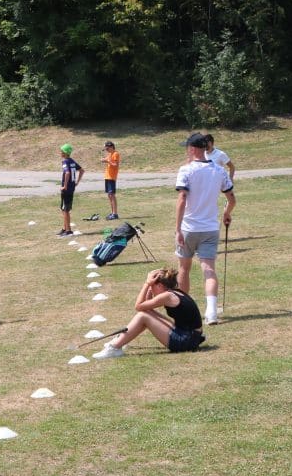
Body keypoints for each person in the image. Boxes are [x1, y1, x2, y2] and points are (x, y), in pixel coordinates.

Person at [176, 133, 236, 325]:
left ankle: (183, 312)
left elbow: (182, 198)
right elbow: (231, 198)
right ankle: (211, 313)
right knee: (208, 269)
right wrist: (227, 213)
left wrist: (177, 228)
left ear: (192, 149)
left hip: (189, 227)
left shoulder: (185, 170)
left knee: (184, 268)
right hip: (210, 228)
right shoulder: (219, 170)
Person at [92, 267, 206, 359]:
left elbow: (138, 306)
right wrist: (151, 288)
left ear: (160, 286)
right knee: (146, 314)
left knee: (142, 317)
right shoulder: (174, 292)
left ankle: (114, 348)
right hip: (191, 336)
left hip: (186, 341)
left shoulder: (167, 296)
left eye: (153, 285)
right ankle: (119, 341)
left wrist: (146, 284)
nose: (151, 288)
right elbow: (145, 308)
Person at [57, 143, 84, 237]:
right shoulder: (72, 161)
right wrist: (77, 182)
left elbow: (67, 173)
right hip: (71, 187)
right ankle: (65, 228)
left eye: (61, 151)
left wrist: (64, 186)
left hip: (67, 189)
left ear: (64, 152)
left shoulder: (65, 161)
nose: (60, 152)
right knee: (64, 209)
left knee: (65, 210)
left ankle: (68, 231)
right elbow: (82, 170)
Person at [101, 141, 121, 220]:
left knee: (112, 195)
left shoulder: (116, 154)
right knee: (109, 195)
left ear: (111, 147)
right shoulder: (110, 154)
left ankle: (115, 213)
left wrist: (107, 161)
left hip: (112, 177)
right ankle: (112, 212)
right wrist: (103, 159)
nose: (106, 150)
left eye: (107, 148)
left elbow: (115, 165)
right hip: (107, 177)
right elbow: (106, 160)